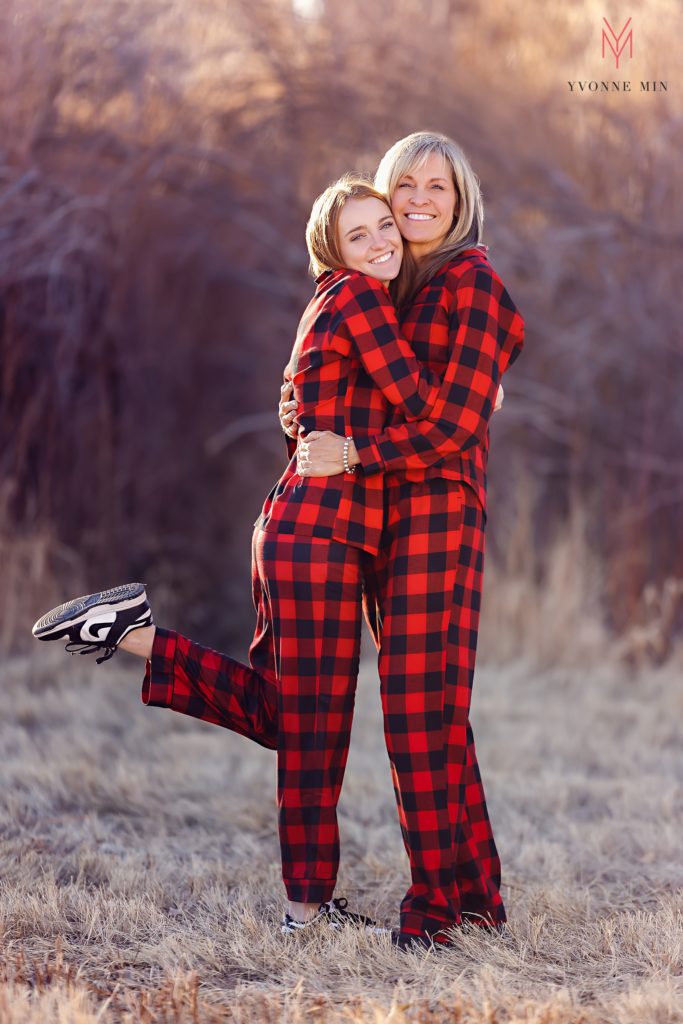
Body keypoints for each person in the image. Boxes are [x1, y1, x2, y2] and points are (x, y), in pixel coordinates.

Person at [32, 176, 478, 947]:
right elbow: (415, 399)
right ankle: (304, 912)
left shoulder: (327, 306)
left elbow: (310, 405)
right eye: (359, 235)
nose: (380, 242)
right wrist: (479, 393)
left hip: (293, 528)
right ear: (331, 253)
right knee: (312, 730)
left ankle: (132, 634)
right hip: (321, 538)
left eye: (384, 228)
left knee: (287, 715)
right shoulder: (364, 300)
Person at [279, 132, 525, 945]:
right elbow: (330, 384)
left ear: (460, 203)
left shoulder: (473, 284)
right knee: (431, 717)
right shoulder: (389, 289)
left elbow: (453, 427)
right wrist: (301, 414)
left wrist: (353, 451)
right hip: (386, 517)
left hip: (439, 512)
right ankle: (476, 900)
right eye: (404, 186)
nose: (418, 200)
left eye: (438, 188)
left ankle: (431, 914)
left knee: (419, 715)